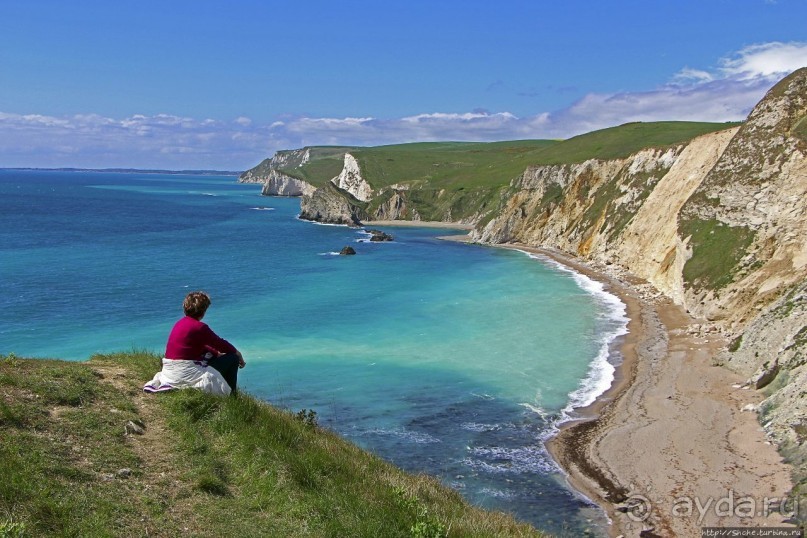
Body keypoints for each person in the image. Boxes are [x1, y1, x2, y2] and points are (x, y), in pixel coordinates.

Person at [144, 291, 246, 396]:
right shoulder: (200, 327)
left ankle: (226, 390)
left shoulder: (179, 323)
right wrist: (238, 353)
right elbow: (220, 344)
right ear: (203, 311)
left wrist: (216, 353)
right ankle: (231, 395)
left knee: (212, 356)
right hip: (185, 372)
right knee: (233, 358)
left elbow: (194, 345)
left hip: (169, 372)